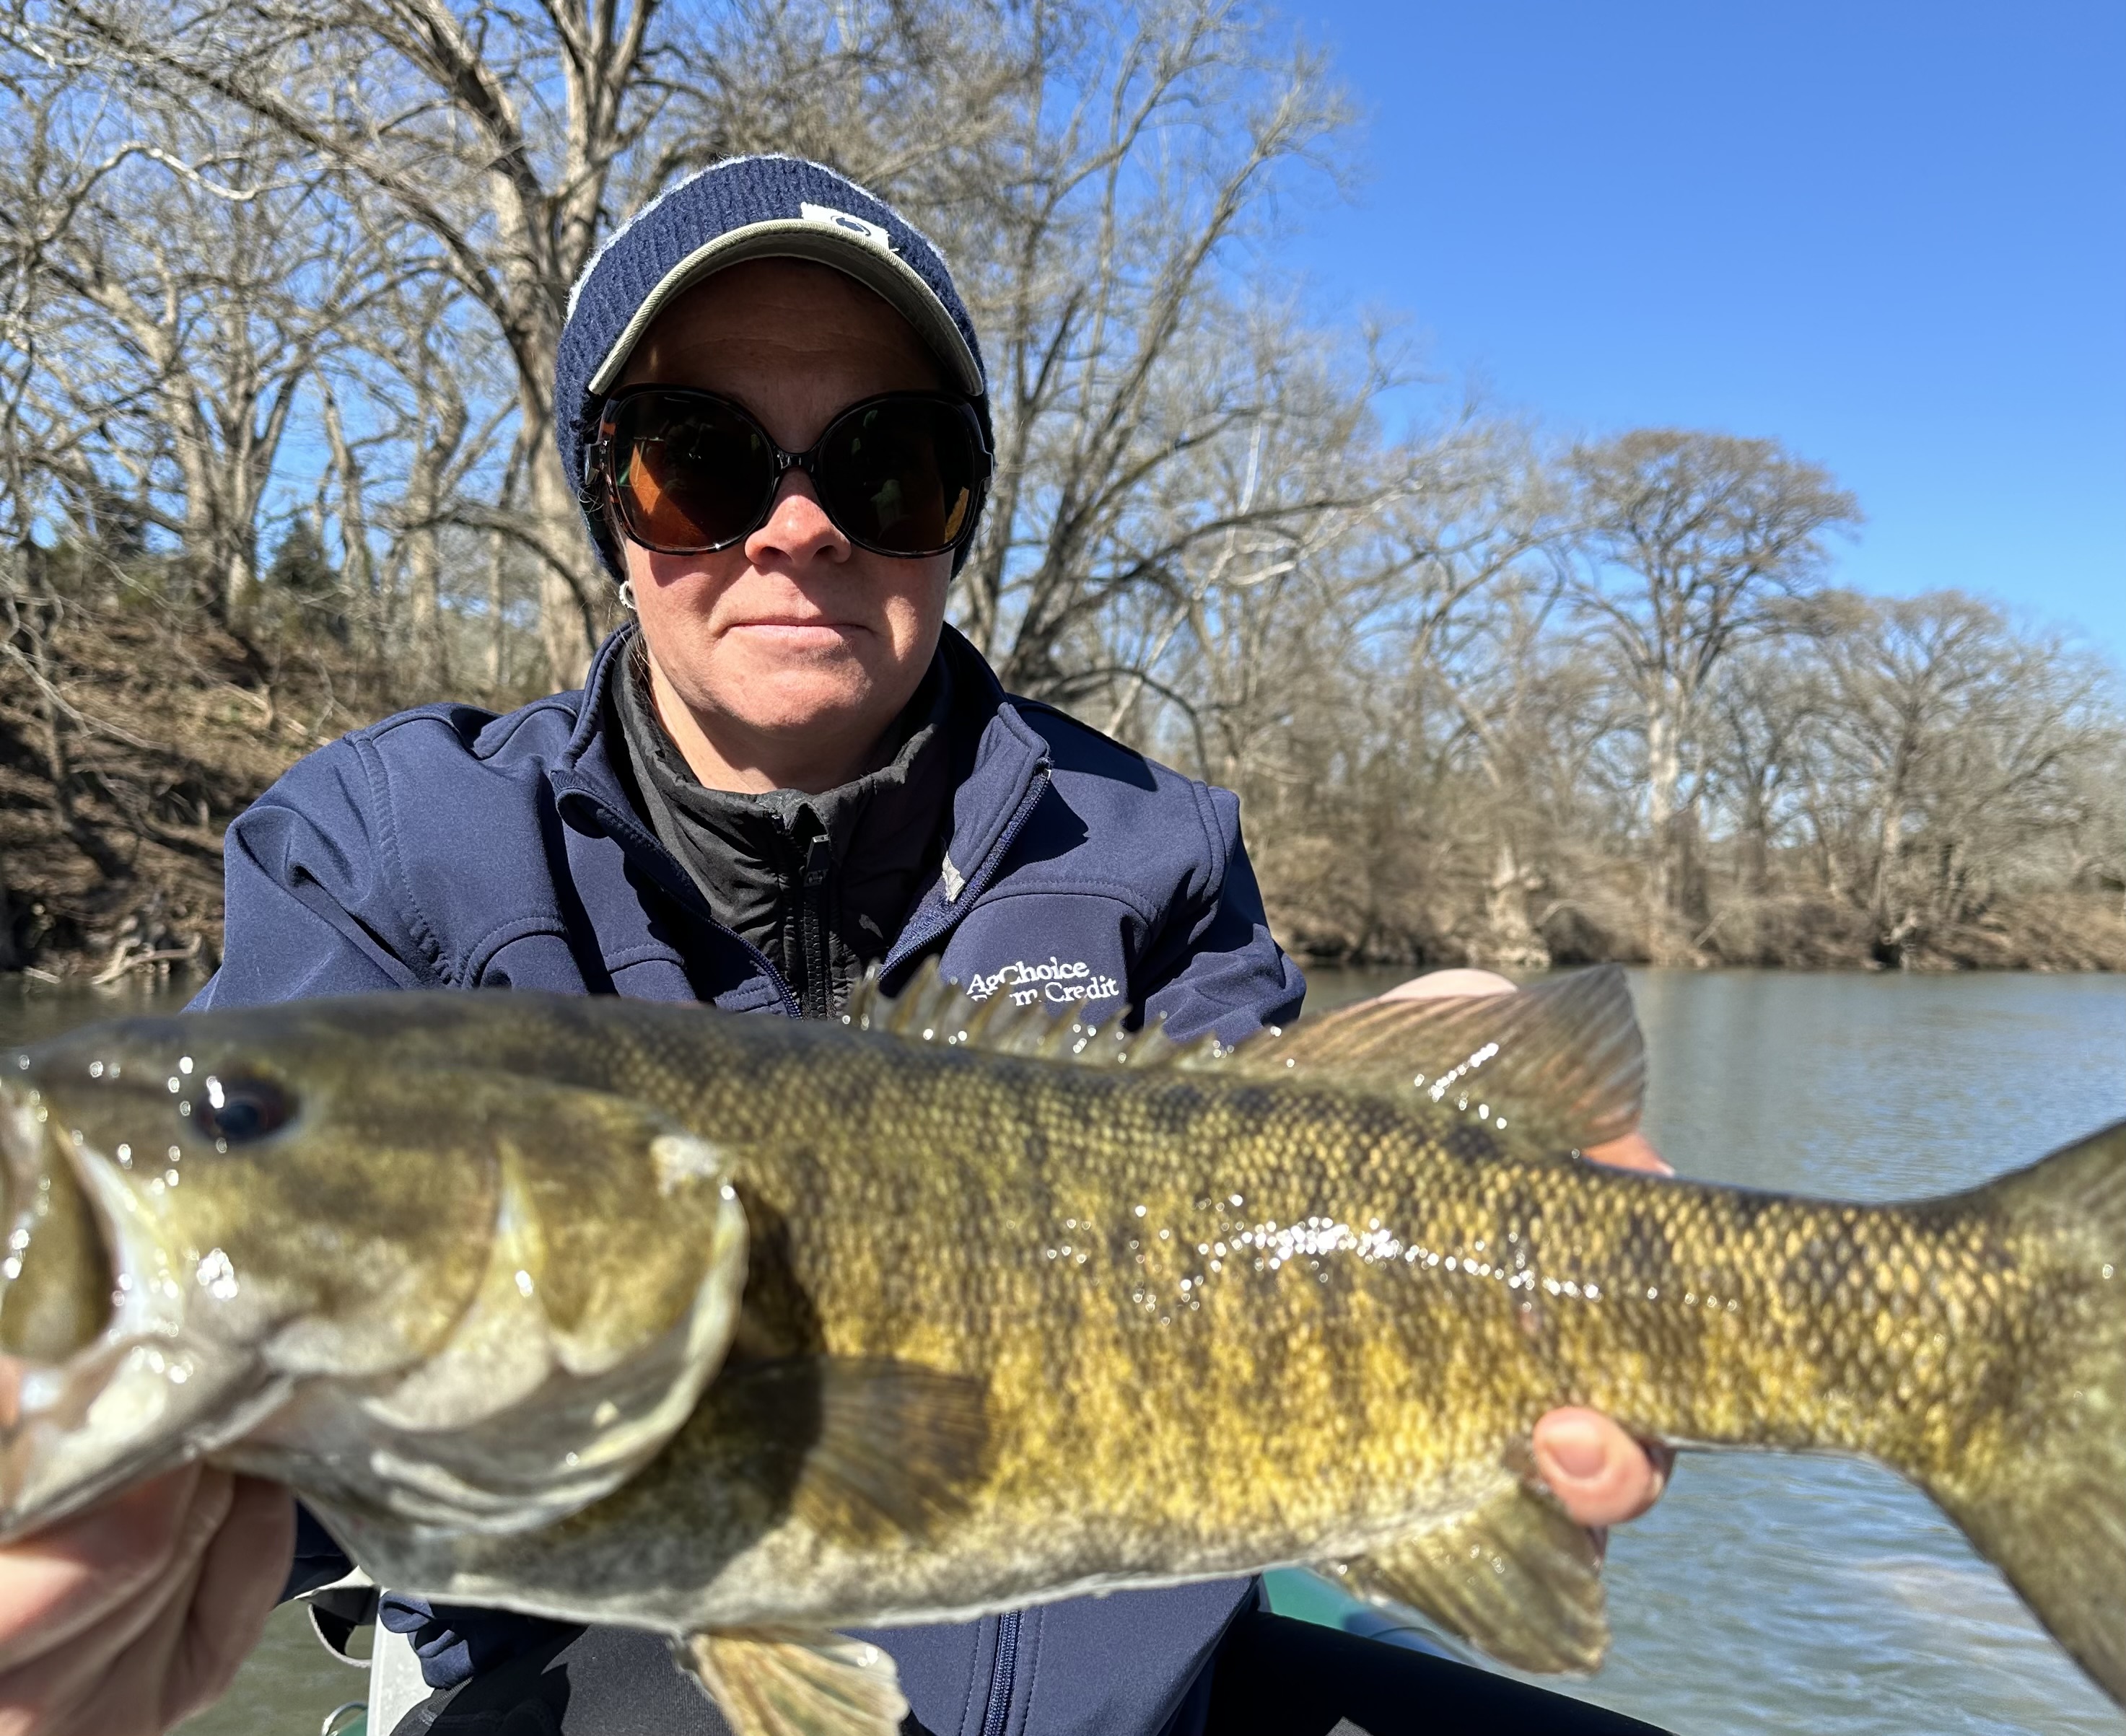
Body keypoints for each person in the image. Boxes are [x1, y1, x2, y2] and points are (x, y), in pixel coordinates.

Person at [0, 157, 1669, 1736]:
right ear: (609, 499)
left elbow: (1268, 1202)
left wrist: (1459, 1121)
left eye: (884, 466)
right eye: (703, 459)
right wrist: (134, 1518)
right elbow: (276, 1436)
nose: (797, 530)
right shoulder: (390, 850)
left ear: (956, 515)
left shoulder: (1156, 845)